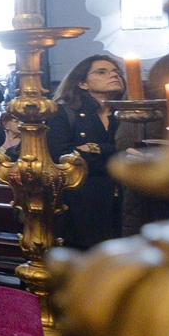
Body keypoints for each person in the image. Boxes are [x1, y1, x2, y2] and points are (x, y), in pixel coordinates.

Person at [48, 54, 127, 250]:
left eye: (116, 72)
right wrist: (118, 153)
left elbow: (138, 150)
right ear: (82, 83)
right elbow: (64, 158)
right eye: (102, 72)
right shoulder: (63, 113)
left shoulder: (129, 113)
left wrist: (95, 148)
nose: (113, 75)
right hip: (83, 205)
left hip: (124, 201)